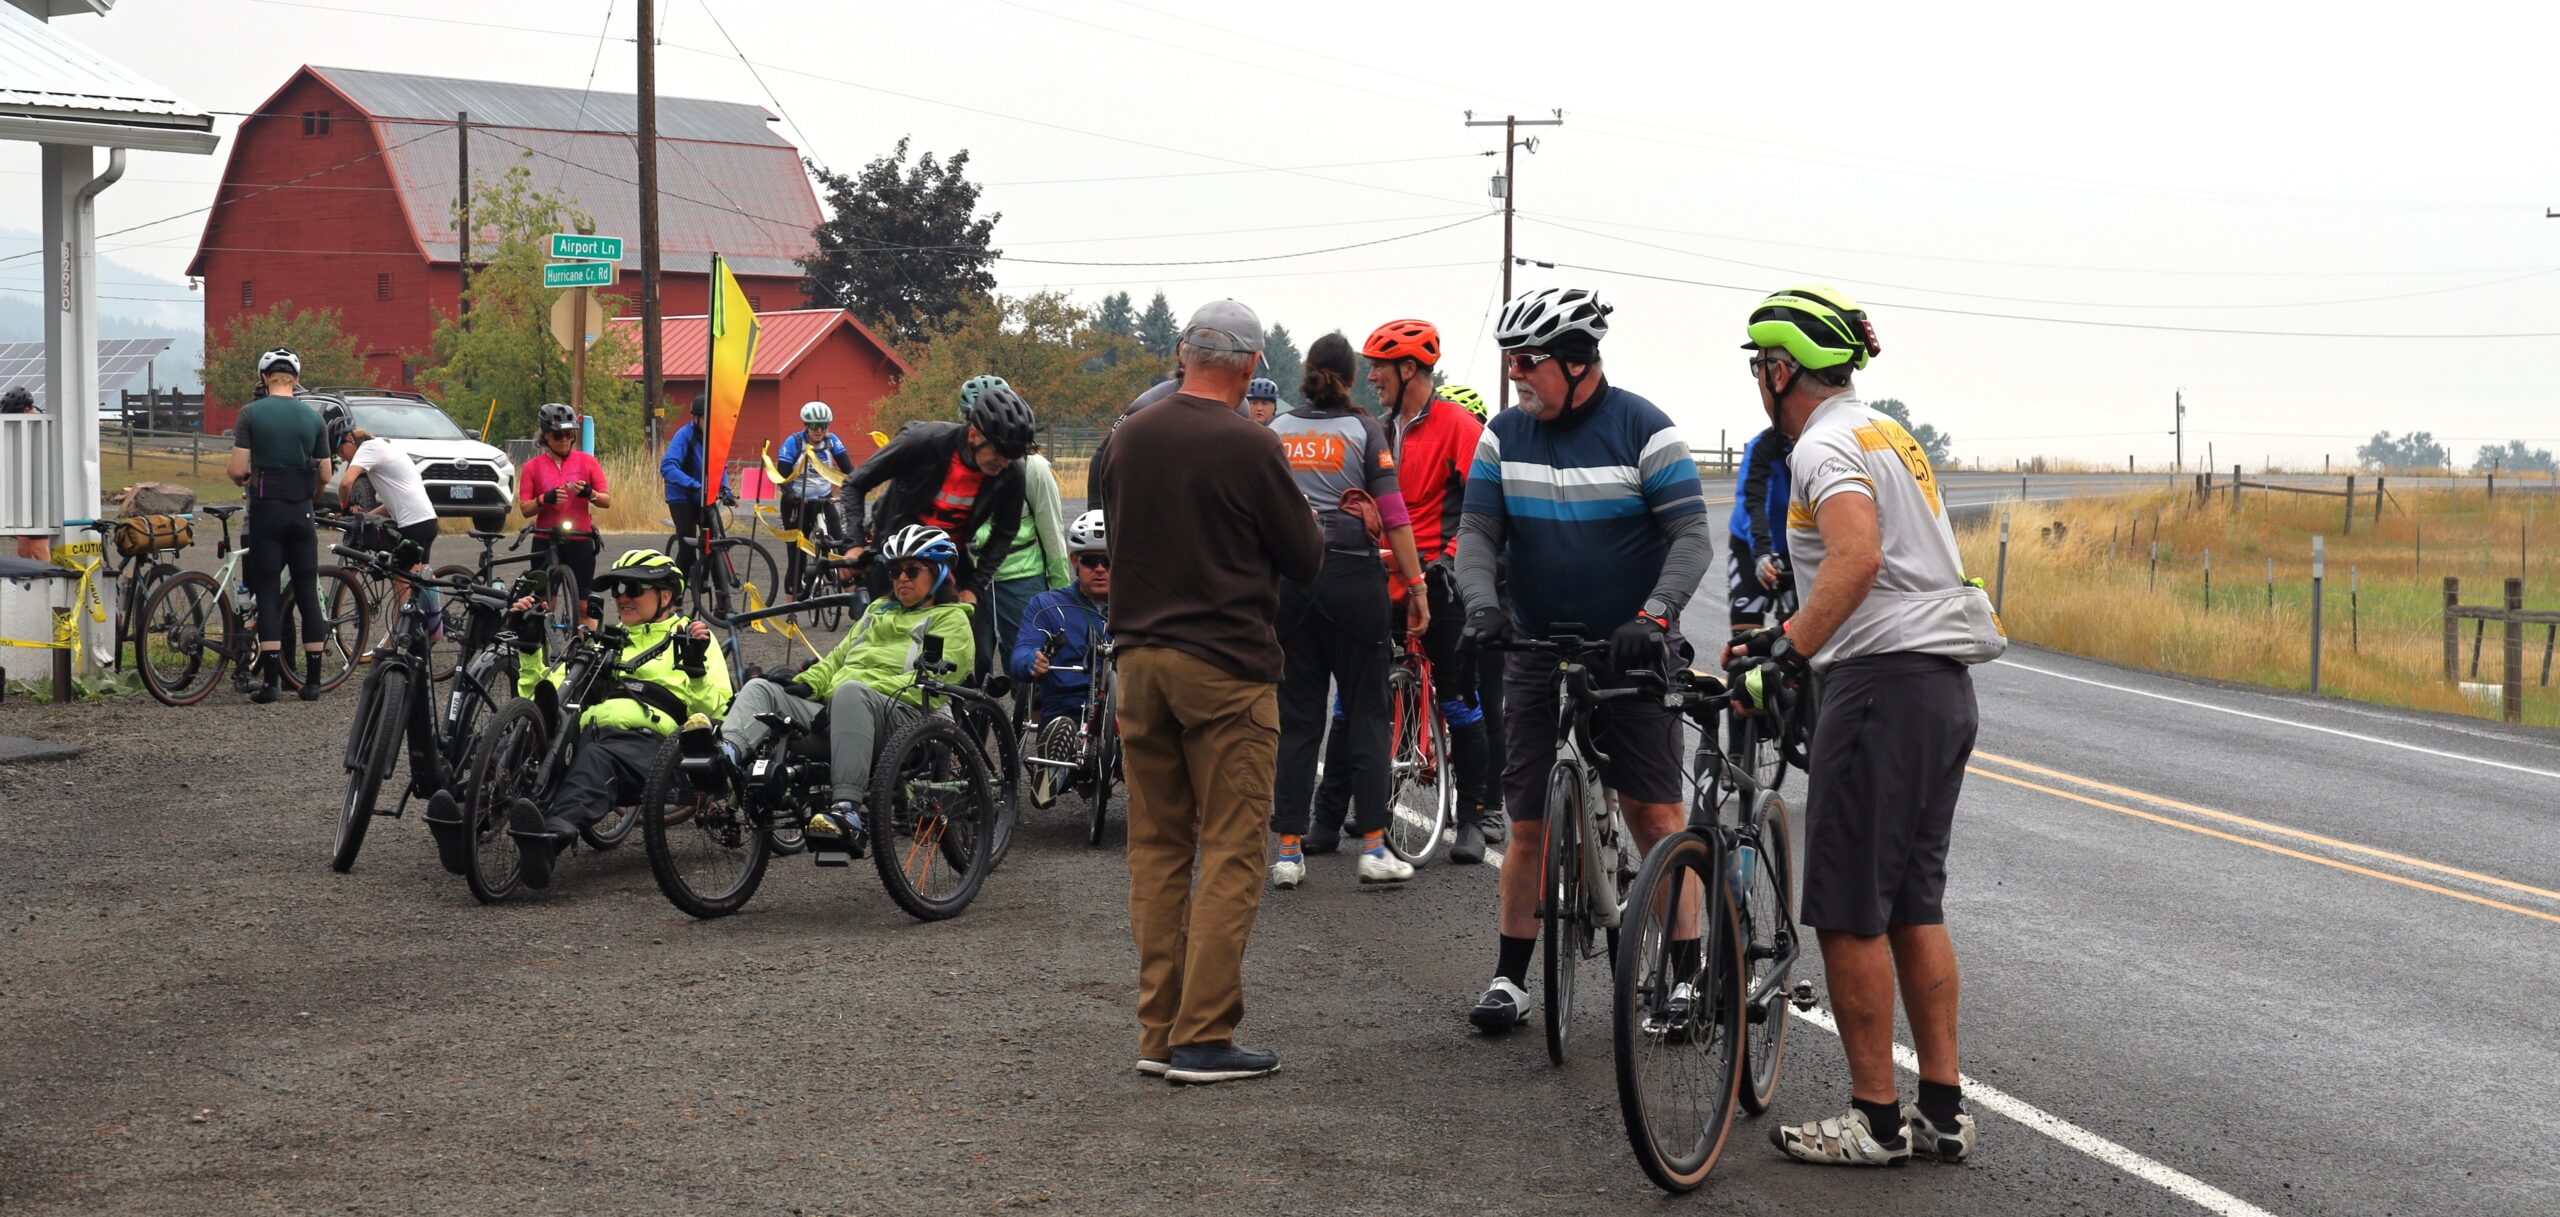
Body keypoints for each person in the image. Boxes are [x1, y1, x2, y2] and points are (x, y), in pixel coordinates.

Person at [1735, 286, 2001, 1166]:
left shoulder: (1822, 443)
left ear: (1782, 370)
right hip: (1942, 680)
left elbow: (1856, 553)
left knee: (1849, 906)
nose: (1756, 384)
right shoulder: (1884, 426)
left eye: (1757, 367)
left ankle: (1874, 1118)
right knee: (1913, 899)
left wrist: (1784, 649)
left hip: (1881, 680)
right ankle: (1941, 1109)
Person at [1453, 287, 1714, 1033]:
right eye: (1509, 360)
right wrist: (1481, 604)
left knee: (1653, 810)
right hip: (1536, 643)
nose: (1514, 375)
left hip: (1631, 645)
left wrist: (1653, 616)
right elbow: (1478, 533)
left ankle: (1688, 976)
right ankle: (1510, 979)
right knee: (1527, 817)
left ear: (1576, 360)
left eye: (1526, 360)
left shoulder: (1645, 430)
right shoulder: (1503, 435)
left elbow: (1691, 539)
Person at [1091, 298, 1321, 1085]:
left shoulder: (1126, 439)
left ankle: (1158, 1030)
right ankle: (1206, 1033)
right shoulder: (1251, 444)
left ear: (1182, 352)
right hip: (1225, 664)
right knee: (1229, 844)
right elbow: (1305, 555)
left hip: (1138, 662)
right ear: (1253, 365)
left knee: (1155, 847)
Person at [1309, 320, 1498, 862]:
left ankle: (1474, 821)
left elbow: (1484, 510)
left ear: (1409, 369)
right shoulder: (1374, 427)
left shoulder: (1460, 427)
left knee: (1459, 701)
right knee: (1349, 699)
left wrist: (1453, 562)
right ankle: (1325, 817)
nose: (1370, 376)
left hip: (1438, 580)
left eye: (1379, 367)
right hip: (1379, 578)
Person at [1264, 332, 1428, 890]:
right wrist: (1417, 585)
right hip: (1354, 579)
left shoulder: (1278, 430)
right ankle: (1375, 849)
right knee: (1366, 713)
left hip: (1291, 581)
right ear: (1351, 378)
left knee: (1298, 717)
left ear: (1307, 372)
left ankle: (1288, 851)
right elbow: (1395, 513)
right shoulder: (1365, 429)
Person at [715, 525, 975, 862]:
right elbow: (837, 659)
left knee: (851, 692)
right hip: (844, 712)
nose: (901, 579)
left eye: (912, 570)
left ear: (939, 574)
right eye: (895, 571)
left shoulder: (951, 620)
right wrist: (808, 684)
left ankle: (847, 812)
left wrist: (849, 698)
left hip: (908, 718)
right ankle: (724, 760)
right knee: (761, 689)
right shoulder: (876, 612)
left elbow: (931, 684)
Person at [504, 549, 730, 890]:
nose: (622, 596)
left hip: (654, 746)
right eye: (618, 589)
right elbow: (544, 698)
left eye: (633, 589)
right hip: (591, 734)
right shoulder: (606, 642)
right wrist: (529, 648)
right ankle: (469, 813)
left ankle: (549, 840)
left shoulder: (692, 637)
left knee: (596, 757)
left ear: (665, 596)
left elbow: (716, 709)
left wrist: (695, 670)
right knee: (529, 735)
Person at [841, 383, 1034, 644]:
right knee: (883, 642)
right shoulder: (923, 442)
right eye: (1000, 452)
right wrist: (853, 544)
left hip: (948, 560)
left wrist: (974, 587)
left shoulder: (1011, 472)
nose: (1005, 463)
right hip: (894, 558)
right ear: (974, 434)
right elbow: (855, 484)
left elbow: (1004, 532)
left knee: (975, 649)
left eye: (1014, 456)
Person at [225, 347, 334, 703]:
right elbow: (326, 473)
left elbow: (239, 469)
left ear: (263, 379)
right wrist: (311, 492)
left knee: (268, 591)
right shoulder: (313, 418)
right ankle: (313, 682)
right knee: (306, 590)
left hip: (266, 510)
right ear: (296, 380)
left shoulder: (250, 414)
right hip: (302, 511)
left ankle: (271, 684)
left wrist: (245, 477)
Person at [959, 375, 1070, 668]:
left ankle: (1029, 714)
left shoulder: (1033, 467)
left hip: (1021, 579)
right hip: (971, 578)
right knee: (970, 662)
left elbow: (1052, 533)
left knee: (1024, 663)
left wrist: (1061, 596)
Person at [1010, 509, 1110, 804]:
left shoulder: (1139, 607)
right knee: (1062, 725)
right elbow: (1021, 651)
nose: (1101, 569)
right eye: (1091, 561)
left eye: (1108, 560)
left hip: (1123, 710)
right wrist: (1032, 660)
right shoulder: (1047, 605)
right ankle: (1052, 768)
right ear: (1075, 561)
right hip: (1068, 705)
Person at [334, 425, 438, 646]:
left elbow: (345, 483)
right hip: (426, 520)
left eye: (340, 452)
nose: (342, 459)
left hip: (413, 524)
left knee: (401, 582)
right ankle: (434, 626)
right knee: (419, 579)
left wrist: (344, 506)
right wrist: (364, 518)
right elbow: (391, 506)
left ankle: (401, 641)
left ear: (349, 439)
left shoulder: (369, 447)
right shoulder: (384, 447)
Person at [519, 403, 609, 626]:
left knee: (583, 606)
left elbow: (607, 501)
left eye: (570, 434)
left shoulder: (587, 462)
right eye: (559, 435)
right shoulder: (532, 467)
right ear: (546, 436)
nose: (564, 440)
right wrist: (544, 499)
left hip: (580, 537)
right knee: (543, 604)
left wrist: (590, 493)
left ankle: (585, 654)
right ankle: (541, 649)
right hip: (545, 538)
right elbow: (525, 509)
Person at [776, 400, 856, 588]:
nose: (819, 430)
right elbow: (781, 478)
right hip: (797, 502)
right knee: (796, 558)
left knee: (841, 546)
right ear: (806, 425)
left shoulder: (832, 441)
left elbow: (848, 470)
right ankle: (791, 611)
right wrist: (792, 496)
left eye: (823, 426)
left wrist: (854, 488)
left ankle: (851, 595)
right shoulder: (793, 442)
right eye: (814, 426)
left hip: (824, 499)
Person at [660, 394, 721, 583]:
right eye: (706, 419)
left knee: (715, 546)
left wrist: (725, 489)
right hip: (681, 496)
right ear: (696, 418)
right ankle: (675, 597)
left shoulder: (715, 437)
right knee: (687, 548)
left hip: (703, 495)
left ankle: (722, 602)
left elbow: (721, 465)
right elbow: (667, 467)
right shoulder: (684, 435)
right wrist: (693, 485)